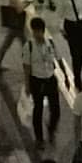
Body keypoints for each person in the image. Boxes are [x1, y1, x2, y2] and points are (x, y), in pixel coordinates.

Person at [23, 17, 61, 145]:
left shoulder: (51, 43)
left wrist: (66, 76)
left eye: (38, 31)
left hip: (50, 79)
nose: (36, 34)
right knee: (38, 109)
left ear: (43, 31)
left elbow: (58, 58)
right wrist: (27, 85)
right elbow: (26, 66)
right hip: (36, 81)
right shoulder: (29, 46)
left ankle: (51, 129)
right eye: (34, 31)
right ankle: (39, 138)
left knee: (56, 110)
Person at [0, 0, 30, 70]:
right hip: (17, 23)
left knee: (8, 42)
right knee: (25, 44)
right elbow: (19, 9)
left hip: (13, 22)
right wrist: (27, 3)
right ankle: (29, 64)